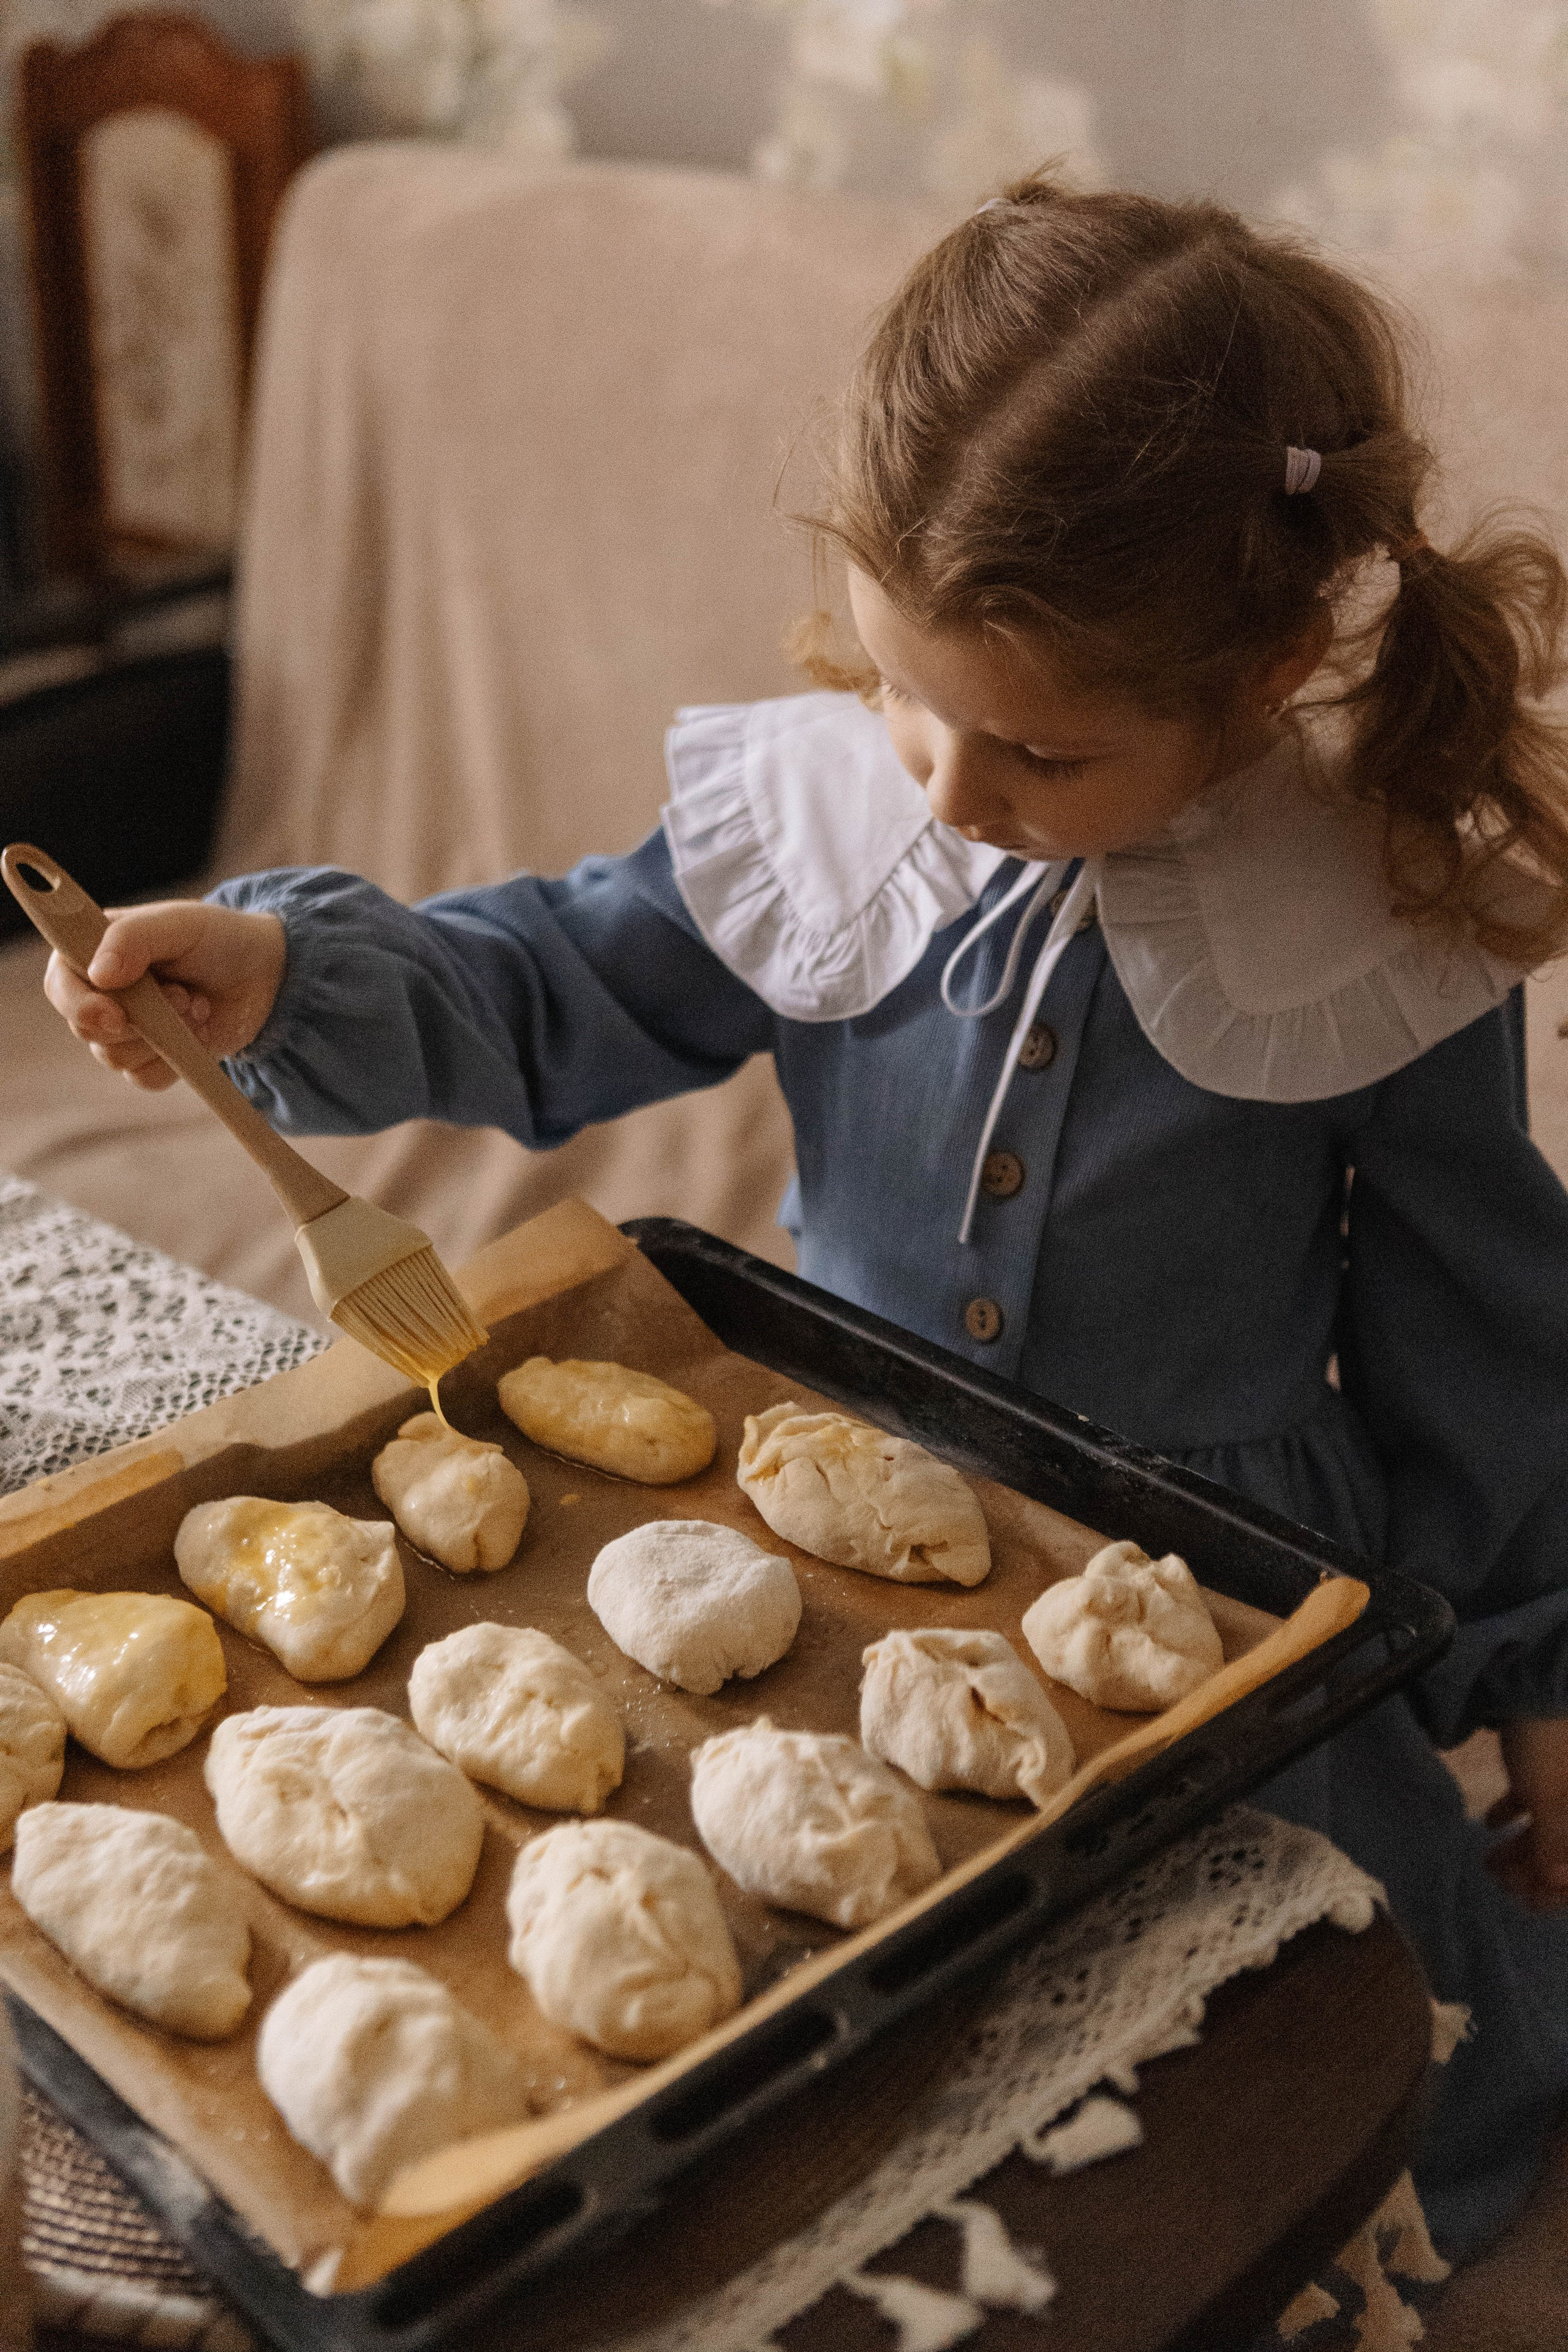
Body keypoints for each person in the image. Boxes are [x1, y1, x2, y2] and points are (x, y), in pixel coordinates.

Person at [44, 176, 1568, 2261]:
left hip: (1227, 1595)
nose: (942, 792)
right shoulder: (843, 812)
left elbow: (1488, 1332)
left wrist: (1532, 1674)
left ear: (1274, 660)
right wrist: (287, 975)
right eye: (905, 694)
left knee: (1319, 2038)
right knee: (787, 2012)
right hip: (807, 1521)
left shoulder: (1376, 927)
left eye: (1038, 748)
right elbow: (554, 982)